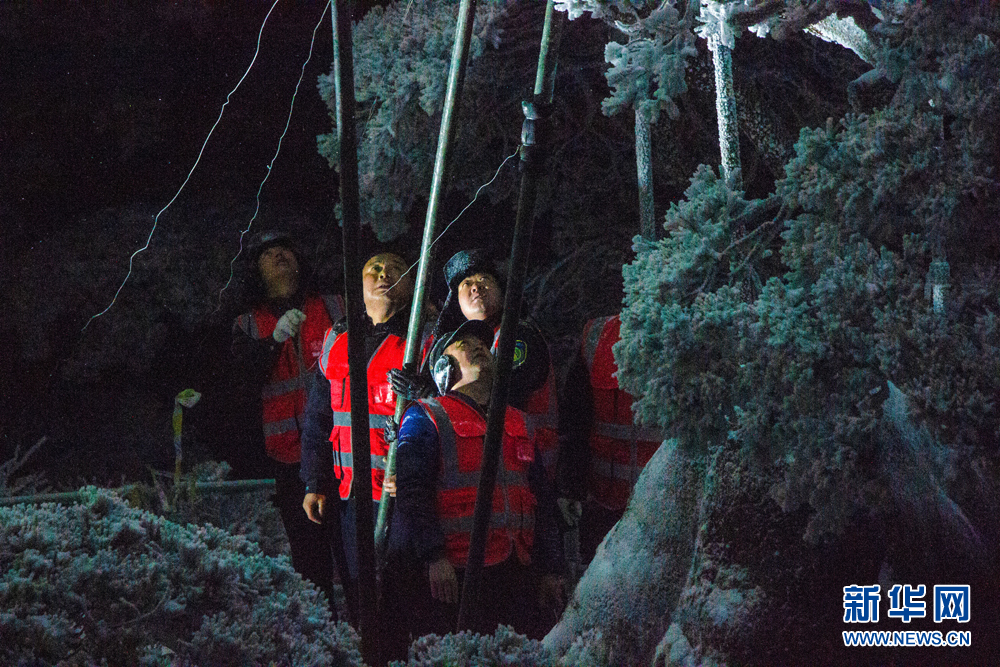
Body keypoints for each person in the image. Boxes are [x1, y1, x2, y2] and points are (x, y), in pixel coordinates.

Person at [382, 319, 565, 659]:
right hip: (458, 574)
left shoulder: (518, 421)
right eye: (463, 345)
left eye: (482, 345)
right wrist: (433, 557)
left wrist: (551, 568)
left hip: (517, 571)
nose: (478, 347)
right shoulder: (425, 416)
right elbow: (413, 493)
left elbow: (541, 498)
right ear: (442, 367)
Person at [299, 249, 417, 625]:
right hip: (349, 494)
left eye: (395, 268)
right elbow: (319, 416)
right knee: (360, 597)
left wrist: (426, 387)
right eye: (374, 269)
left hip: (402, 495)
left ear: (412, 282)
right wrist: (315, 481)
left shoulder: (424, 338)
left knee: (403, 596)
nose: (383, 274)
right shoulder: (339, 336)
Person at [231, 230, 345, 614]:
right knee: (310, 561)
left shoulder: (332, 307)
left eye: (285, 249)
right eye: (268, 254)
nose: (279, 255)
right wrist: (273, 341)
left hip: (341, 452)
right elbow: (244, 383)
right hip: (288, 461)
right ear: (256, 271)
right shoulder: (248, 324)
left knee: (352, 558)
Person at [394, 249, 558, 475]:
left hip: (527, 464)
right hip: (489, 462)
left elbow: (503, 397)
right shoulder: (458, 348)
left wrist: (430, 395)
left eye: (484, 280)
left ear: (503, 292)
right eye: (466, 284)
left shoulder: (518, 335)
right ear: (456, 303)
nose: (476, 287)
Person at [557, 314, 664, 567]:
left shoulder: (684, 332)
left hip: (661, 505)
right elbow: (576, 419)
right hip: (601, 503)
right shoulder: (597, 334)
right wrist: (572, 487)